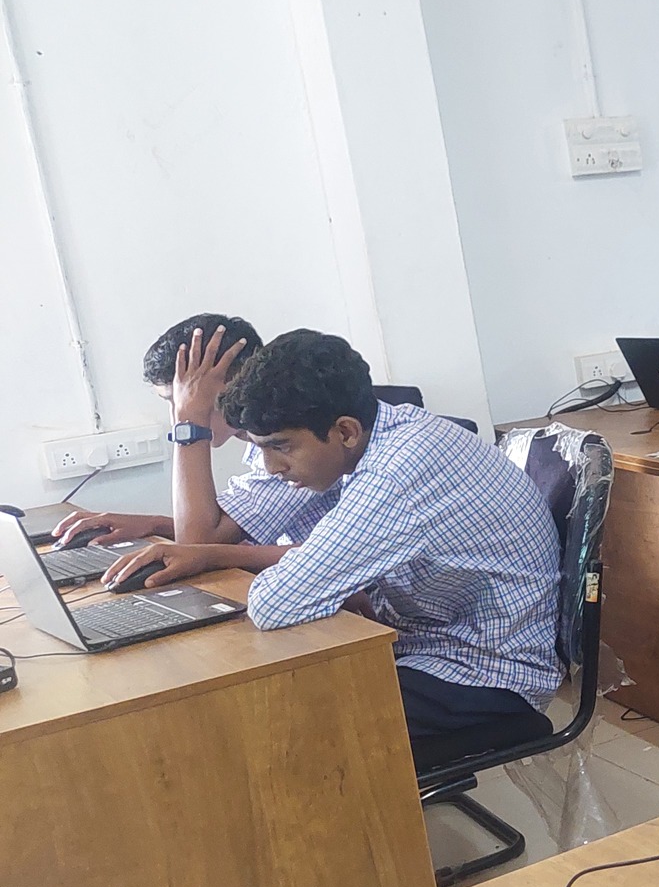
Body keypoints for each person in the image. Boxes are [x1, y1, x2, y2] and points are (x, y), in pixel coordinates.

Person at [101, 331, 564, 766]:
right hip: (432, 637)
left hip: (484, 673)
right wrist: (219, 554)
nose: (272, 467)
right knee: (261, 685)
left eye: (281, 447)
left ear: (345, 432)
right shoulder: (393, 432)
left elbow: (275, 603)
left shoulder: (396, 475)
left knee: (266, 717)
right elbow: (317, 561)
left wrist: (278, 569)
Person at [53, 314, 264, 549]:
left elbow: (197, 544)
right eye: (172, 403)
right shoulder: (260, 449)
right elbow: (221, 531)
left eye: (187, 400)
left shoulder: (283, 452)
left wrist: (191, 426)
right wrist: (154, 524)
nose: (177, 417)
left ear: (235, 384)